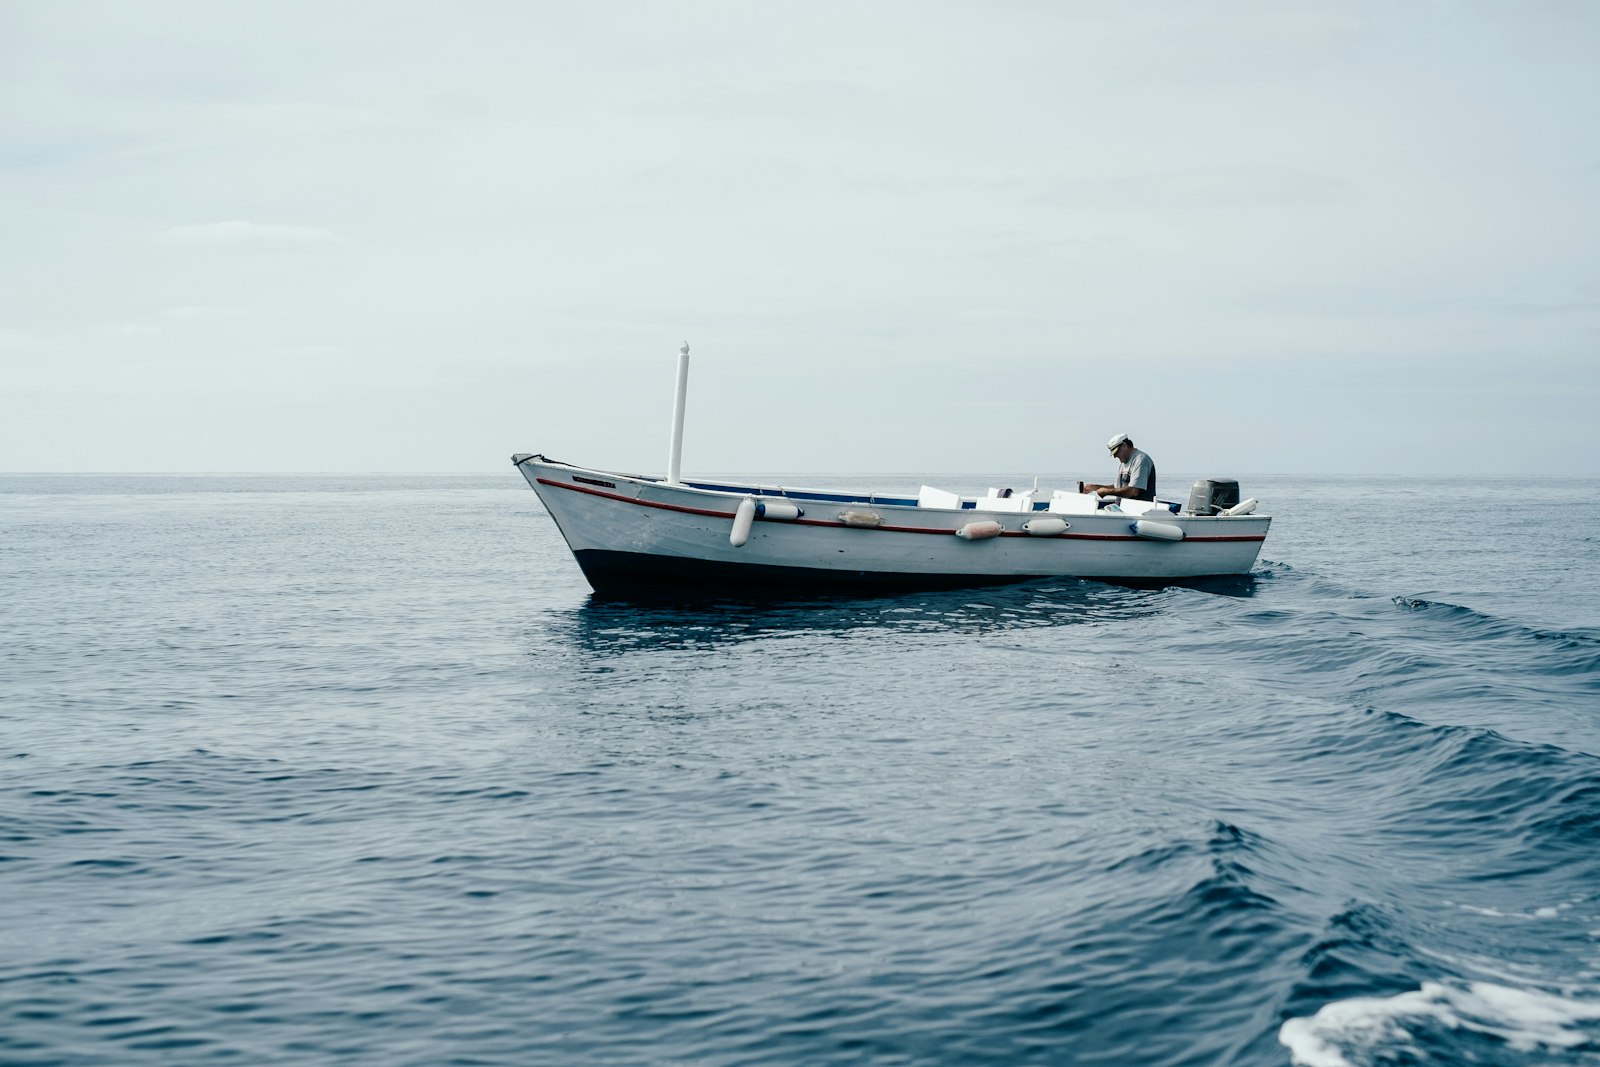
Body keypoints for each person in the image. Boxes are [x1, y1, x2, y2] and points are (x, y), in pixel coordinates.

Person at [1080, 433, 1156, 502]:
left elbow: (1133, 491)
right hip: (1123, 510)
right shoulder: (1123, 462)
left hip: (1139, 512)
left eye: (1116, 452)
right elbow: (1118, 488)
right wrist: (1096, 487)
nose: (1114, 456)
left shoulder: (1140, 460)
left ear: (1124, 446)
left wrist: (1106, 492)